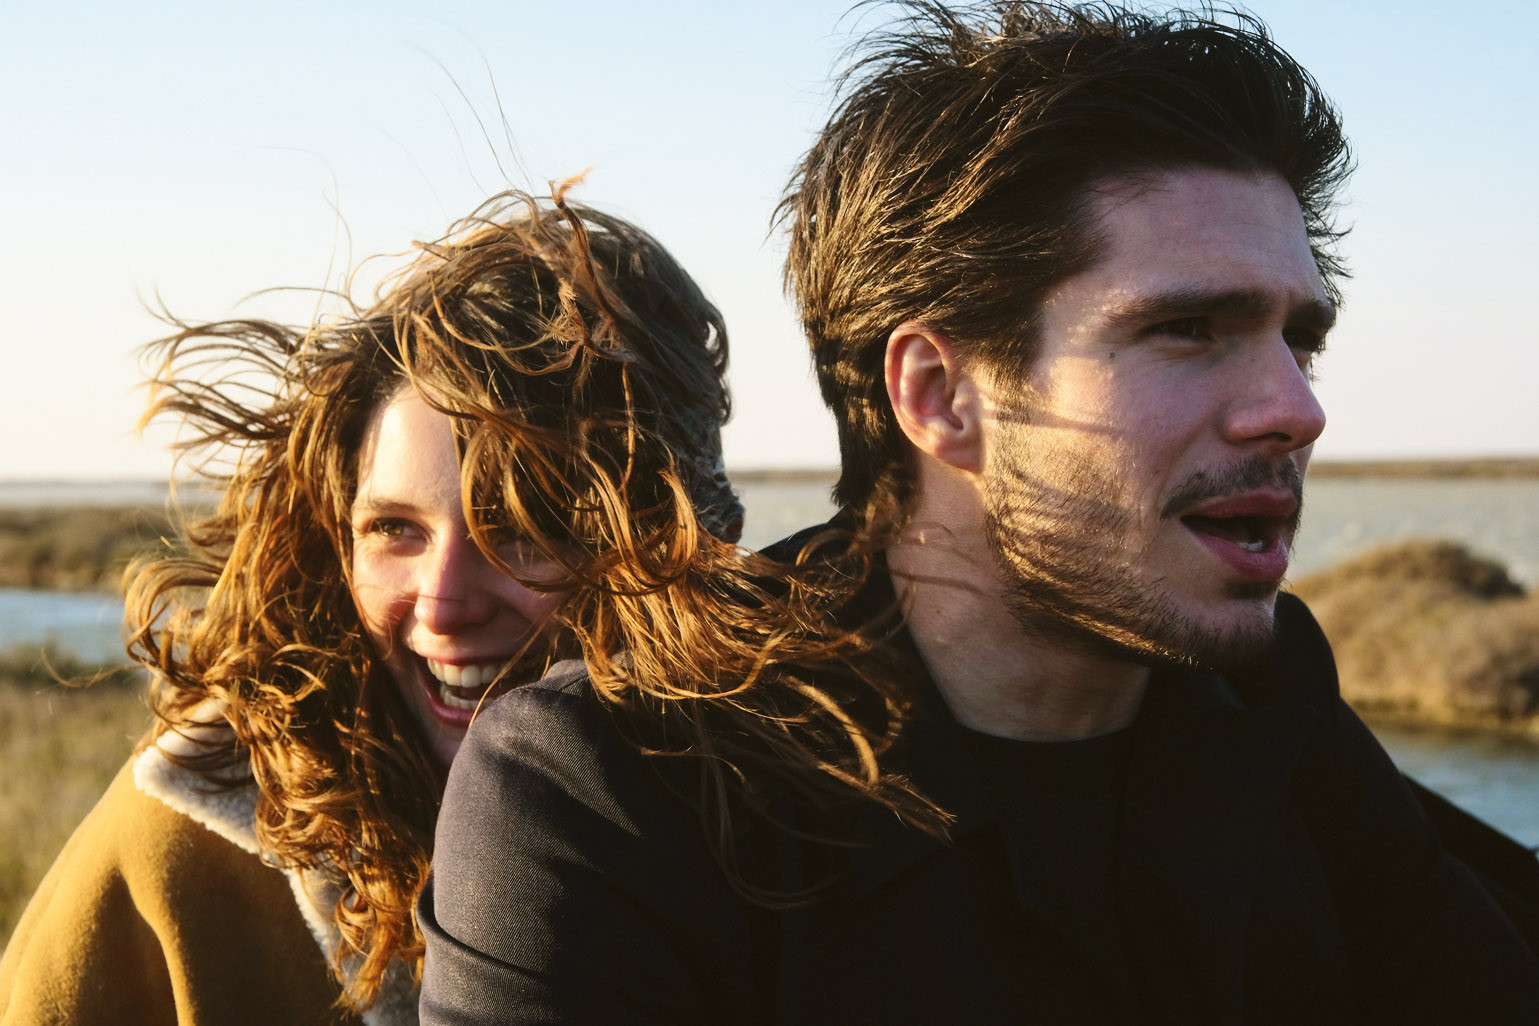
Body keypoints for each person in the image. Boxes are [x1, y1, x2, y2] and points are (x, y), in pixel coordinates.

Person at [420, 4, 1539, 1024]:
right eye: (1186, 329)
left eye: (1298, 339)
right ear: (939, 396)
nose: (1295, 410)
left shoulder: (1272, 714)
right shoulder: (614, 788)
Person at [0, 185, 741, 1025]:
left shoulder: (796, 842)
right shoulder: (175, 863)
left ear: (695, 544)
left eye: (522, 528)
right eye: (394, 529)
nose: (444, 604)